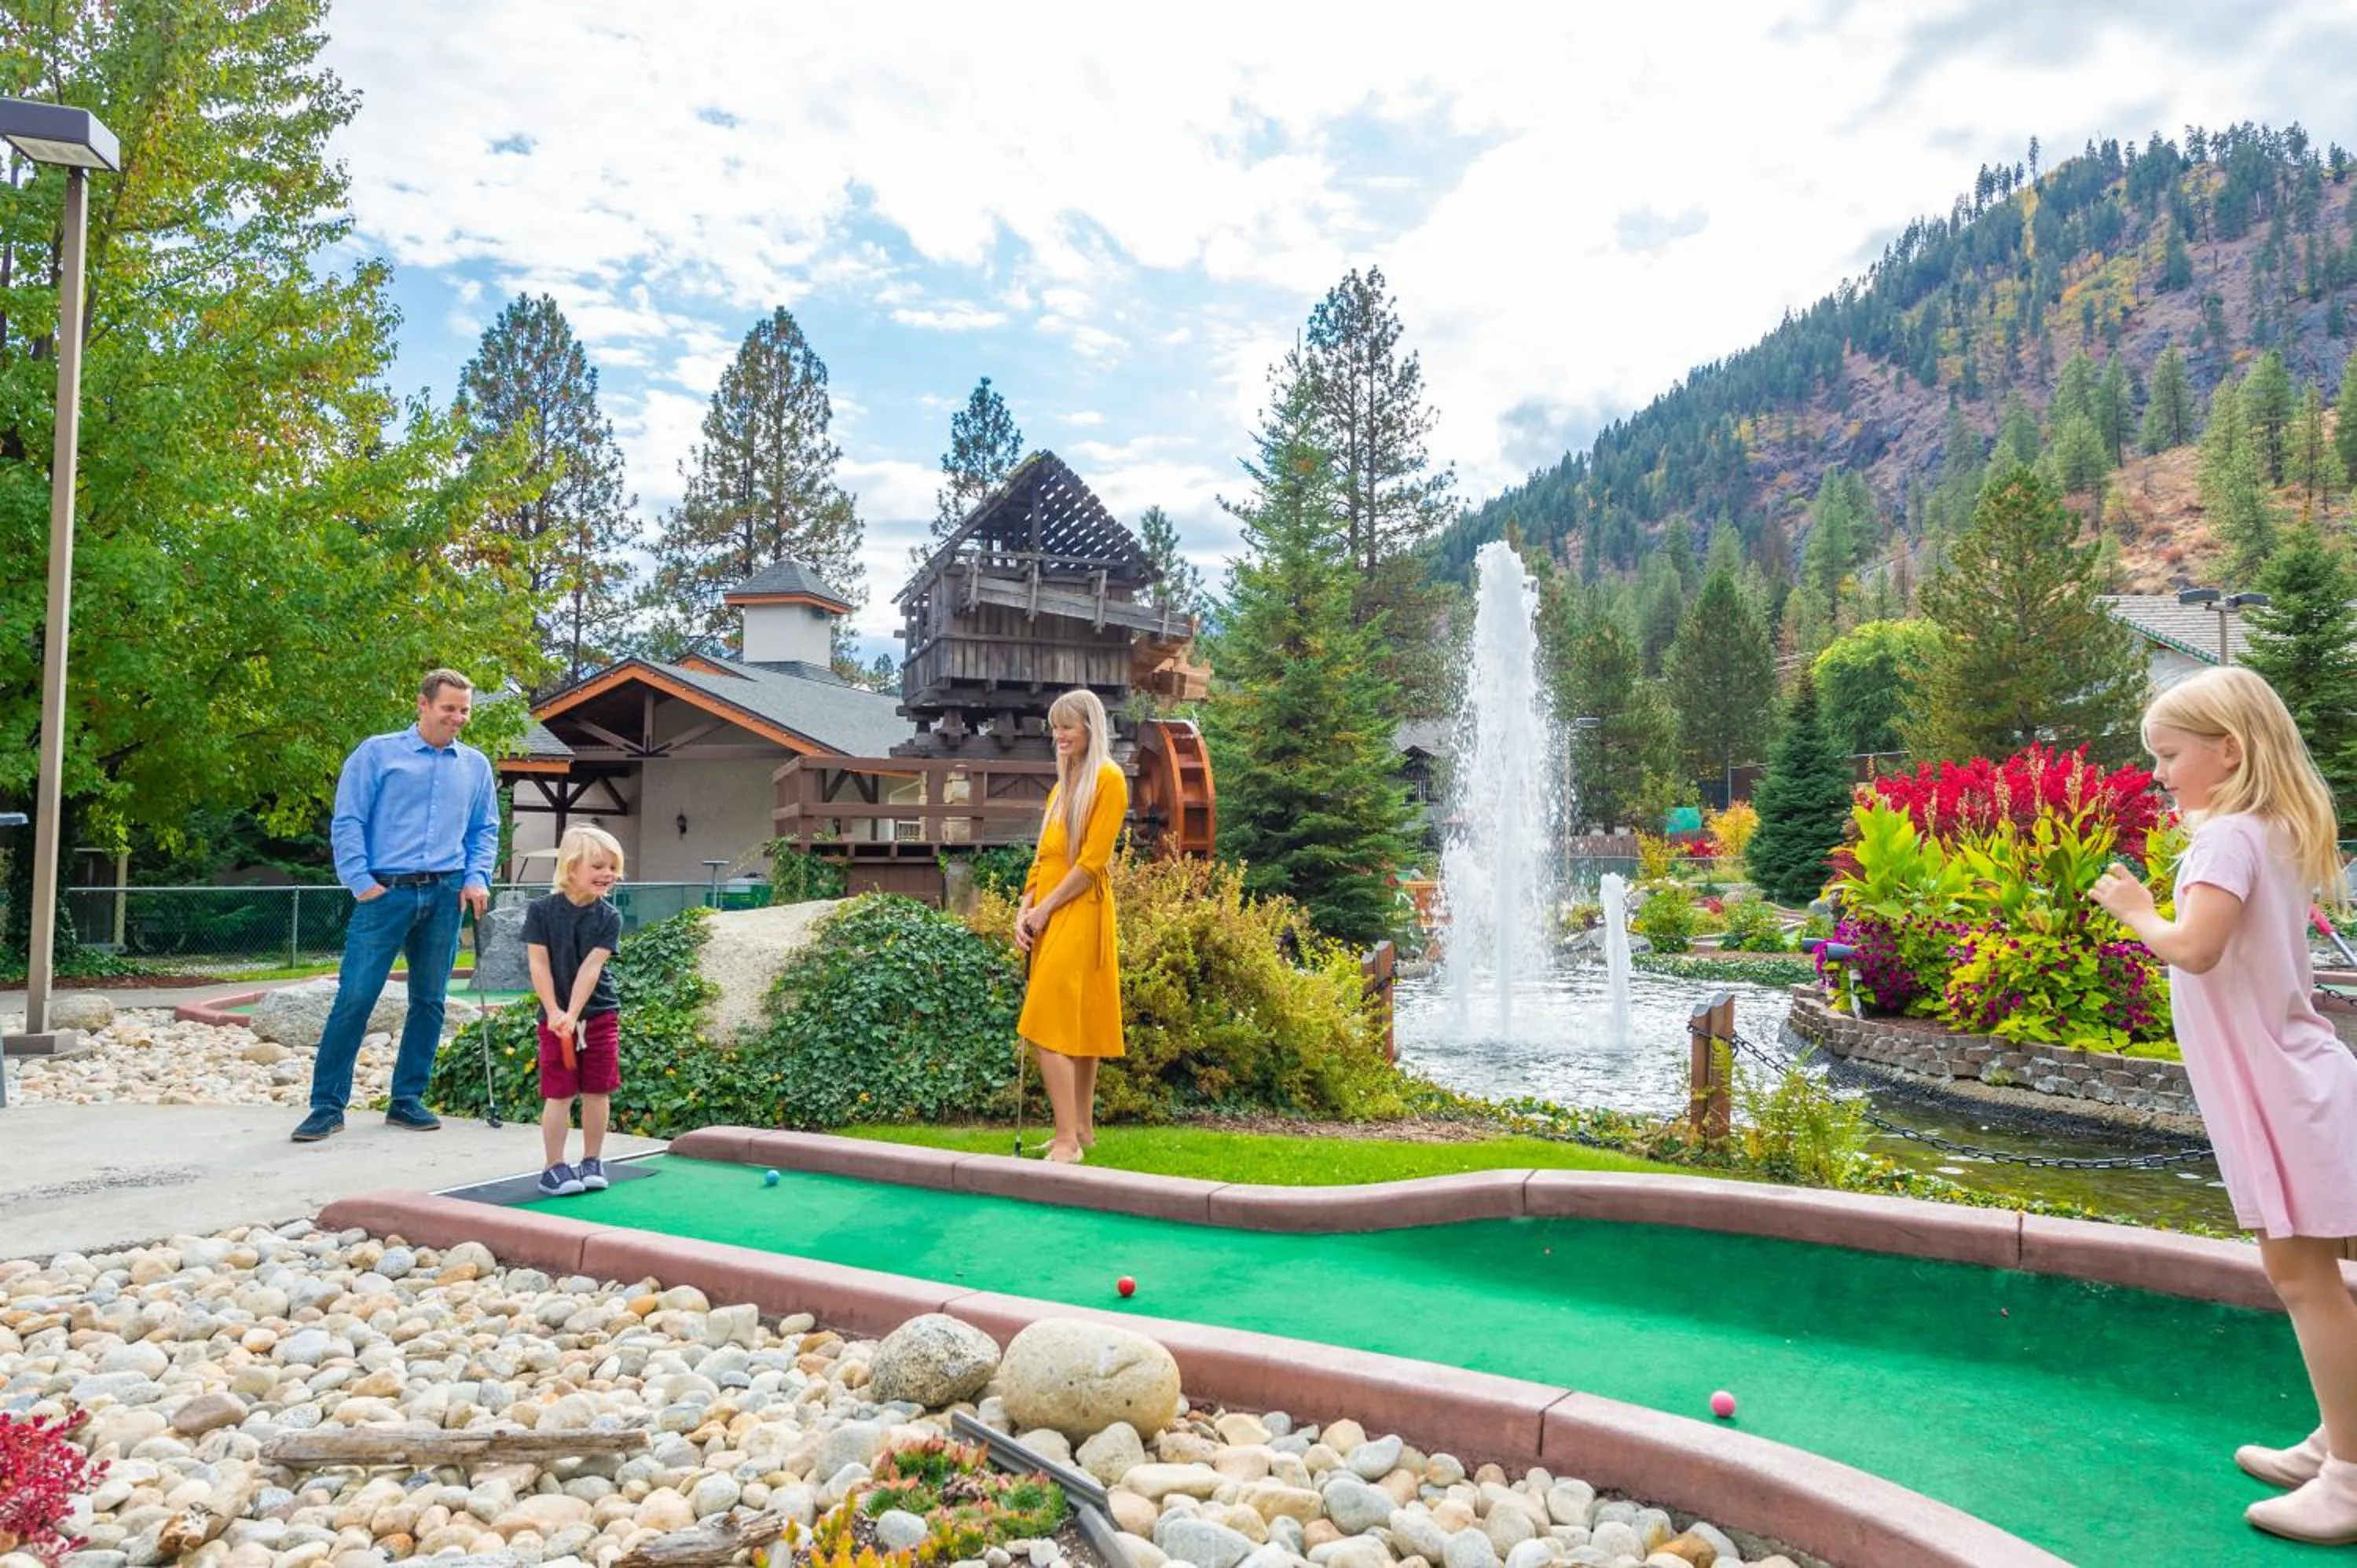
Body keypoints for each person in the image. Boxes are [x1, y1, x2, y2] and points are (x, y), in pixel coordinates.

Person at [2089, 665, 2357, 1546]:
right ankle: (2337, 1438)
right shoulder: (2269, 829)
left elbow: (2195, 949)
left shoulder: (2227, 840)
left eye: (2169, 755)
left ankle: (2350, 1480)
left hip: (2282, 1093)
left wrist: (2134, 908)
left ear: (2228, 750)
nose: (2160, 774)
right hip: (2299, 1079)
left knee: (2302, 1277)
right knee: (2317, 1274)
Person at [295, 669, 499, 1141]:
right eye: (450, 708)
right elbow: (348, 820)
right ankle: (326, 1106)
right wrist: (361, 882)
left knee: (429, 1002)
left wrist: (476, 878)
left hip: (446, 894)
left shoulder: (475, 766)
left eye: (465, 709)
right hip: (385, 894)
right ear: (423, 705)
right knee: (355, 998)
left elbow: (484, 831)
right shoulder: (377, 753)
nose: (458, 718)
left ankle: (406, 1100)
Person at [1013, 688, 1128, 1163]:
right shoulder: (1061, 788)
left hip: (1082, 910)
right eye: (1055, 727)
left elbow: (1090, 865)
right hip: (1051, 910)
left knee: (1047, 1024)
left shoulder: (1108, 779)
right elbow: (1045, 860)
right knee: (1073, 1017)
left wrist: (1045, 911)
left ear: (1090, 727)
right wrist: (1025, 908)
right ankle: (1080, 1129)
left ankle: (1066, 1142)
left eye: (1067, 726)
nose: (1058, 735)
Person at [525, 826, 625, 1196]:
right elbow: (539, 965)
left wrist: (573, 1012)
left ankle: (592, 1160)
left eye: (613, 867)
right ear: (570, 868)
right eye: (598, 865)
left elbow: (591, 968)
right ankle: (553, 1167)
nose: (608, 874)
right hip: (554, 1019)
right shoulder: (541, 912)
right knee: (560, 1092)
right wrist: (554, 1012)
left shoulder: (609, 917)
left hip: (598, 1014)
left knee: (598, 1090)